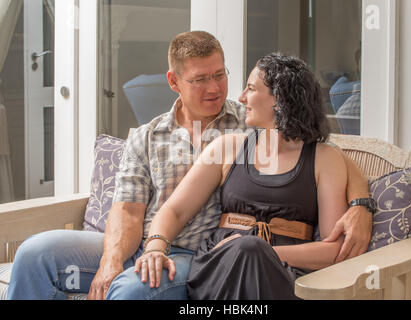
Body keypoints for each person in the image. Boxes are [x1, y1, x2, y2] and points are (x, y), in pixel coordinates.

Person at [7, 31, 371, 300]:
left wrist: (361, 204)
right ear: (174, 82)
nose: (216, 88)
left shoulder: (246, 122)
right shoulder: (146, 137)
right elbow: (130, 211)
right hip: (145, 244)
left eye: (220, 74)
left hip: (196, 255)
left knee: (133, 290)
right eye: (200, 79)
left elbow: (323, 151)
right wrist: (115, 258)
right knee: (35, 253)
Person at [137, 53, 353, 299]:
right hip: (219, 267)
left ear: (279, 99)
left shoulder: (325, 158)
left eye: (250, 89)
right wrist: (155, 247)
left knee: (250, 248)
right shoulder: (227, 147)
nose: (241, 98)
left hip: (284, 274)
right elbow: (175, 210)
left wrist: (262, 252)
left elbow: (333, 249)